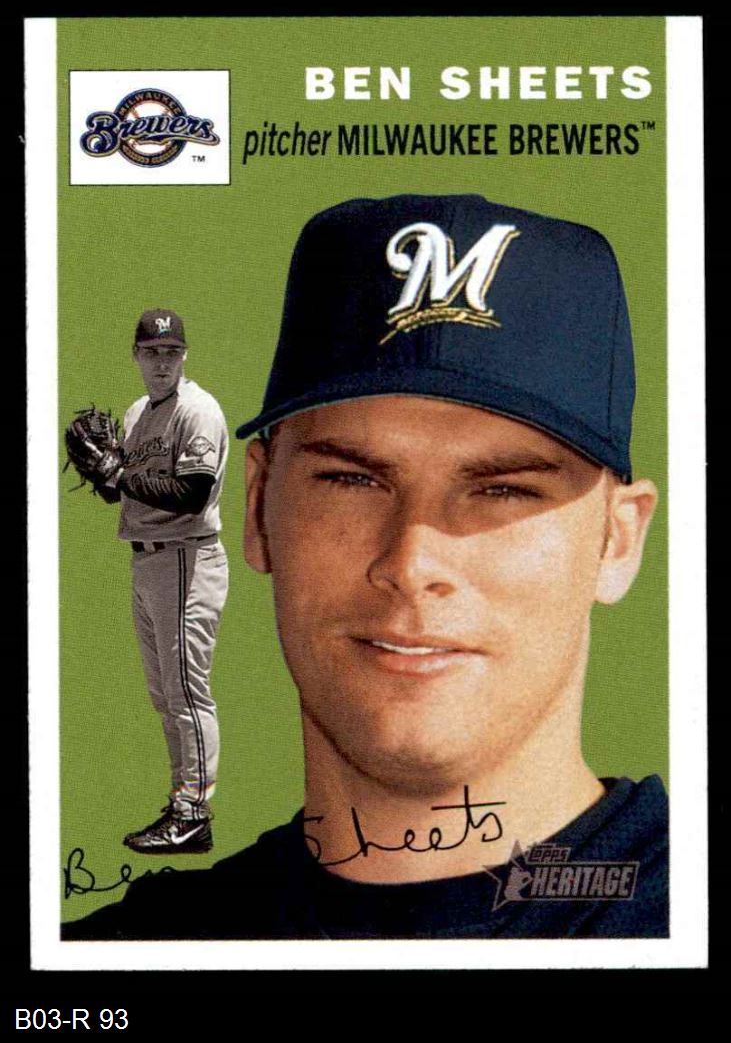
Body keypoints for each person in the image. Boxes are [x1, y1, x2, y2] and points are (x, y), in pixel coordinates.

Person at [62, 195, 667, 939]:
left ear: (617, 540)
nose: (411, 562)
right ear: (257, 509)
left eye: (503, 489)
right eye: (352, 480)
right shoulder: (123, 952)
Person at [96, 309, 229, 854]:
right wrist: (102, 472)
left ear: (184, 356)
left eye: (171, 352)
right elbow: (118, 492)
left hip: (185, 560)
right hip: (147, 561)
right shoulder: (136, 413)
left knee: (187, 695)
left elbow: (192, 493)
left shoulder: (197, 410)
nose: (161, 362)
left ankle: (193, 813)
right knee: (165, 696)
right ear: (136, 355)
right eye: (151, 352)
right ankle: (182, 804)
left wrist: (120, 473)